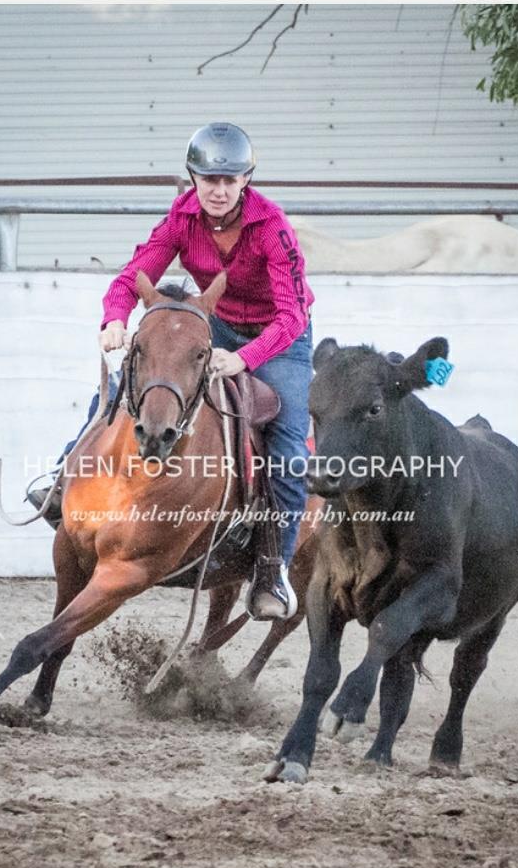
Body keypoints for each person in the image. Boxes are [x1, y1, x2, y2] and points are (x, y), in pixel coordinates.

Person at [28, 122, 315, 621]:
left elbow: (292, 315)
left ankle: (274, 569)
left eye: (229, 180)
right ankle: (60, 479)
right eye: (209, 180)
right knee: (125, 383)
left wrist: (244, 358)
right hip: (215, 324)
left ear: (245, 180)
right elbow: (134, 275)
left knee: (289, 444)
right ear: (194, 179)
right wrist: (115, 319)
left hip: (281, 340)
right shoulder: (181, 219)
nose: (219, 190)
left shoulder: (273, 227)